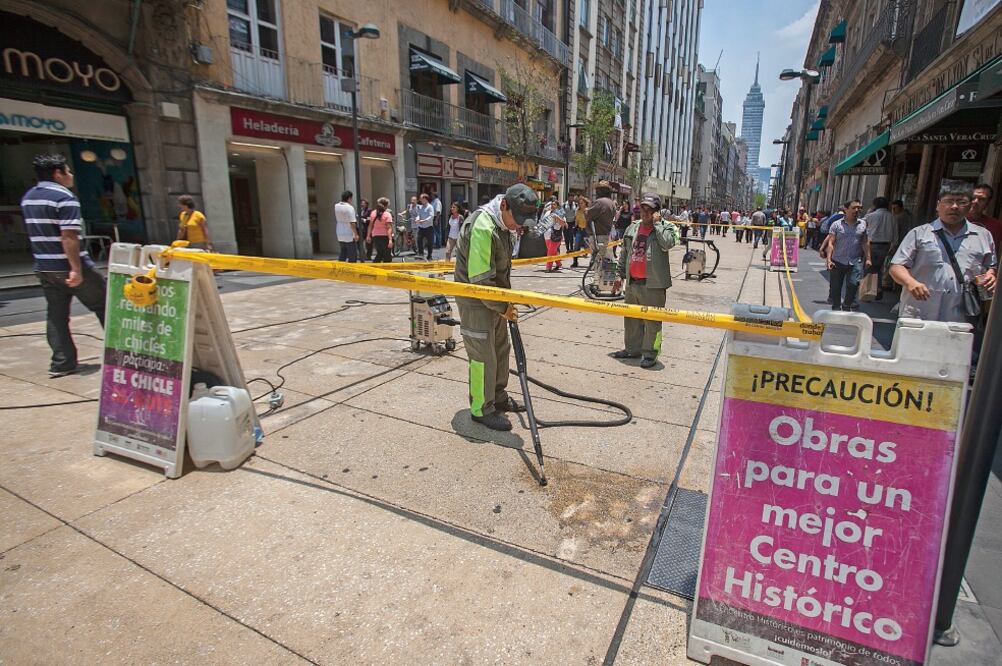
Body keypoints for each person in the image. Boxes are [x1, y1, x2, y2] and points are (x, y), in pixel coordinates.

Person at [454, 184, 539, 431]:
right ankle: (481, 408)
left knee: (501, 349)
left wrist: (505, 303)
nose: (519, 225)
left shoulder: (502, 225)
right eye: (518, 219)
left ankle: (498, 397)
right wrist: (503, 305)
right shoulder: (483, 227)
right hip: (476, 302)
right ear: (504, 206)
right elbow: (480, 281)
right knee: (483, 356)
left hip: (496, 300)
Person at [21, 154, 107, 377]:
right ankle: (124, 355)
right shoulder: (64, 197)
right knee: (107, 305)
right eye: (68, 172)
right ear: (57, 174)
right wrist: (76, 269)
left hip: (45, 267)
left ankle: (62, 363)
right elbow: (69, 236)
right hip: (68, 265)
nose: (71, 176)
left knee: (56, 316)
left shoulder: (29, 198)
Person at [890, 183, 997, 325]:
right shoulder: (920, 233)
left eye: (961, 202)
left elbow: (991, 266)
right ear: (938, 205)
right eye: (949, 201)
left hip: (959, 318)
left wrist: (990, 275)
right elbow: (896, 267)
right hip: (918, 313)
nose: (954, 207)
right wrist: (910, 282)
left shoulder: (983, 236)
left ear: (970, 206)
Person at [612, 193, 679, 370]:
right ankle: (632, 349)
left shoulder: (667, 228)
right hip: (633, 282)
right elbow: (625, 253)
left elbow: (668, 244)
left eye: (650, 210)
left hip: (654, 284)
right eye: (643, 208)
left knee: (653, 323)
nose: (645, 213)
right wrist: (619, 275)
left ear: (657, 212)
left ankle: (650, 354)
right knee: (631, 319)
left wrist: (658, 225)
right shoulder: (632, 228)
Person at [822, 199, 871, 311]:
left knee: (853, 284)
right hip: (837, 261)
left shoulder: (862, 224)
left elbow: (865, 242)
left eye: (859, 208)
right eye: (854, 208)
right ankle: (836, 307)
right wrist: (829, 260)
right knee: (836, 287)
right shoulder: (836, 224)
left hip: (855, 261)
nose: (857, 210)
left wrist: (868, 258)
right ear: (846, 209)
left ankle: (846, 305)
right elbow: (831, 243)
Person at [862, 197, 897, 300]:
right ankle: (878, 289)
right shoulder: (892, 217)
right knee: (881, 268)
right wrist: (894, 246)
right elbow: (895, 234)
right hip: (886, 245)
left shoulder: (870, 216)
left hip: (872, 244)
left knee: (869, 267)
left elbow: (861, 226)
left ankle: (868, 291)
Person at [969, 183, 1002, 258]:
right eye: (973, 197)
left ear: (988, 203)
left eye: (982, 199)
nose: (975, 201)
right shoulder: (954, 221)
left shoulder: (996, 226)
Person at [367, 197, 394, 263]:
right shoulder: (387, 214)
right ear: (386, 205)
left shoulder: (373, 213)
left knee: (380, 253)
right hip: (385, 236)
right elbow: (389, 228)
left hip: (375, 236)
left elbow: (370, 225)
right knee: (387, 255)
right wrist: (390, 240)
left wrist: (368, 236)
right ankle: (385, 270)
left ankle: (374, 268)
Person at [335, 190, 359, 262]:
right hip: (348, 231)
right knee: (352, 254)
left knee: (343, 252)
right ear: (349, 198)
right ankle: (351, 269)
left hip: (339, 230)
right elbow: (352, 222)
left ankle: (340, 268)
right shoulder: (350, 208)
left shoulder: (336, 206)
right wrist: (355, 234)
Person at [543, 205, 567, 272]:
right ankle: (559, 264)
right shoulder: (547, 212)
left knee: (550, 252)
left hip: (556, 236)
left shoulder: (561, 215)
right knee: (553, 252)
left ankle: (548, 267)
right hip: (547, 235)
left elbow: (563, 224)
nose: (552, 206)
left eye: (554, 205)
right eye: (552, 205)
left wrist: (557, 217)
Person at [415, 193, 435, 260]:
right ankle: (421, 253)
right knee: (419, 240)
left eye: (421, 198)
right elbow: (418, 215)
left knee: (430, 242)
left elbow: (431, 216)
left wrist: (424, 220)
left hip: (429, 227)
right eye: (420, 198)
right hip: (421, 227)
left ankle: (429, 255)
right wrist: (417, 219)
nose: (420, 200)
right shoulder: (420, 207)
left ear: (425, 199)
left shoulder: (430, 207)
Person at [572, 194, 589, 267]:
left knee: (588, 247)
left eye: (582, 203)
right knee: (576, 247)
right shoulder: (577, 211)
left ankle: (592, 264)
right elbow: (576, 221)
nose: (580, 204)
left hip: (587, 231)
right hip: (579, 230)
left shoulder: (588, 211)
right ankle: (575, 262)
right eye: (579, 203)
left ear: (585, 203)